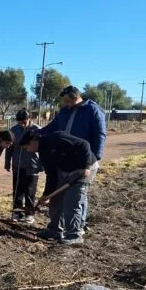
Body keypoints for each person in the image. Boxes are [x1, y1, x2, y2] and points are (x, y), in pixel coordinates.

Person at [39, 86, 107, 231]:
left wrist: (94, 158)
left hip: (84, 159)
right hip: (66, 160)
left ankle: (79, 225)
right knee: (66, 196)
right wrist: (36, 133)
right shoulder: (65, 111)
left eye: (67, 101)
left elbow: (100, 134)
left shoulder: (92, 110)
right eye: (64, 102)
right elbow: (52, 127)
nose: (65, 104)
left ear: (75, 98)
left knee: (78, 194)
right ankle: (59, 227)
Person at [19, 129, 96, 245]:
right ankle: (54, 230)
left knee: (71, 201)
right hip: (66, 171)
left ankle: (74, 235)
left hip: (83, 170)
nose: (28, 150)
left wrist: (86, 166)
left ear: (34, 140)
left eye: (27, 146)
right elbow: (51, 176)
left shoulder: (57, 138)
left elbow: (84, 144)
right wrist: (46, 195)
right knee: (55, 200)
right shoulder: (43, 153)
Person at [4, 109, 41, 223]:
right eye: (19, 122)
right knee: (17, 190)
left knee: (30, 191)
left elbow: (43, 148)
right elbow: (9, 148)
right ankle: (17, 212)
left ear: (29, 119)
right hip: (17, 165)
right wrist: (7, 162)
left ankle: (29, 213)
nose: (22, 124)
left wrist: (42, 165)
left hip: (32, 165)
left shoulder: (38, 130)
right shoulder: (13, 130)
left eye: (24, 122)